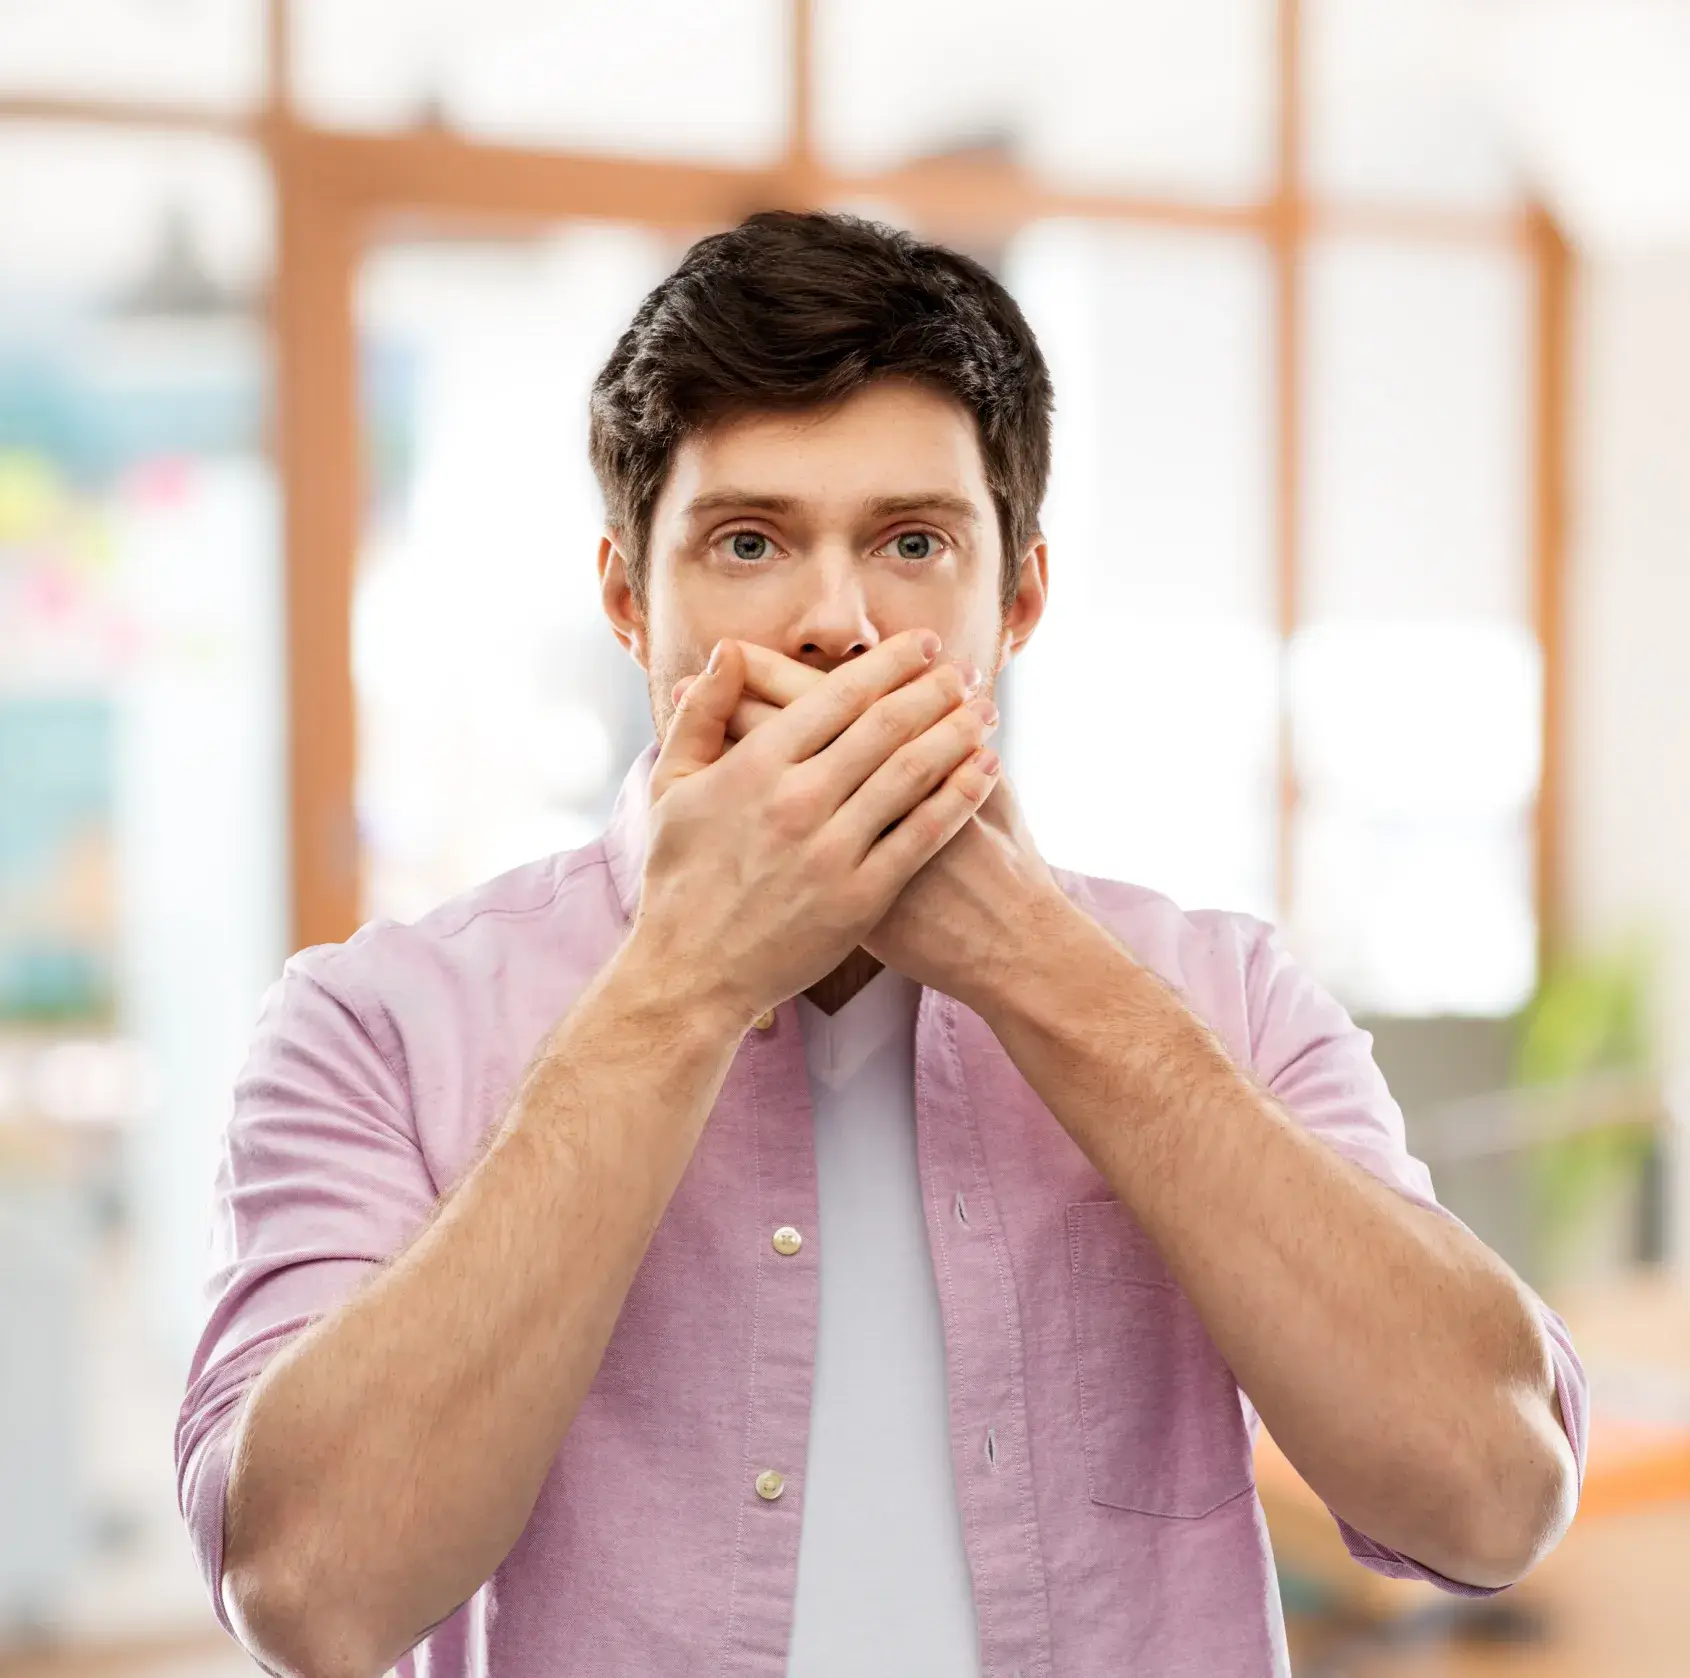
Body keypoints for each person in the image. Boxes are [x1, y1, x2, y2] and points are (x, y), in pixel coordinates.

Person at [176, 210, 1585, 1678]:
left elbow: (1491, 1499)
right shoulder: (375, 1023)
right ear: (624, 598)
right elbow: (307, 1592)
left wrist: (1040, 968)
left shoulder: (1225, 990)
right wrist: (685, 978)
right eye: (746, 541)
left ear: (1017, 596)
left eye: (913, 542)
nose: (837, 622)